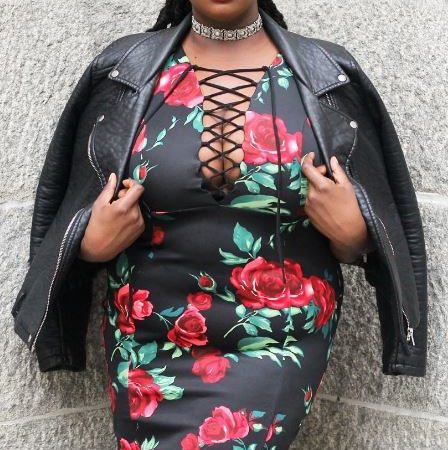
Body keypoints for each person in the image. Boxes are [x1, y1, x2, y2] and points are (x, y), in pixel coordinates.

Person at [77, 1, 374, 448]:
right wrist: (89, 246)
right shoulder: (127, 69)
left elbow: (378, 217)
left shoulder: (325, 73)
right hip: (145, 339)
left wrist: (353, 235)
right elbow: (70, 202)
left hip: (277, 336)